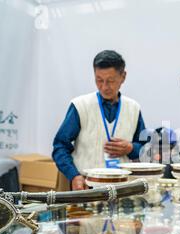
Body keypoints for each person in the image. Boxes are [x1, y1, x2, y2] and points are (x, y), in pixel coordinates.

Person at [52, 50, 146, 190]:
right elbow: (60, 146)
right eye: (99, 80)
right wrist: (73, 175)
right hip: (85, 185)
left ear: (123, 77)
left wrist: (131, 148)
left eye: (110, 81)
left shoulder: (133, 108)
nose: (104, 87)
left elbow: (145, 149)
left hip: (120, 187)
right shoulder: (80, 106)